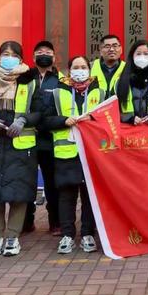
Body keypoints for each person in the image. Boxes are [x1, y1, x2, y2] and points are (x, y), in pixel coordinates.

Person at [0, 41, 41, 256]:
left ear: (21, 58)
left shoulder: (30, 81)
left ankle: (12, 237)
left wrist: (23, 120)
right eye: (5, 53)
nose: (9, 57)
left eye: (13, 54)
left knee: (18, 192)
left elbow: (39, 110)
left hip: (20, 143)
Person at [44, 56, 104, 254]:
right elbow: (46, 121)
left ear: (89, 69)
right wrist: (63, 121)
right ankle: (67, 235)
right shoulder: (57, 92)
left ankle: (88, 234)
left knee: (89, 196)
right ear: (69, 71)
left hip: (91, 153)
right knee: (66, 196)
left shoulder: (100, 92)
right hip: (66, 152)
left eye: (83, 67)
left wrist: (93, 119)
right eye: (76, 67)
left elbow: (109, 119)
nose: (80, 70)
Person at [23, 41, 62, 236]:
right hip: (26, 137)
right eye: (40, 52)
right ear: (33, 57)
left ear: (54, 58)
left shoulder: (61, 79)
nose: (44, 54)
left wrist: (44, 124)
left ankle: (55, 222)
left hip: (49, 138)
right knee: (26, 181)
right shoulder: (24, 78)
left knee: (51, 183)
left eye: (48, 52)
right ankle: (26, 222)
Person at [90, 34, 126, 99]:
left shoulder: (128, 68)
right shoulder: (90, 67)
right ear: (100, 51)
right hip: (96, 107)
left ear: (121, 49)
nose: (111, 49)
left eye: (115, 46)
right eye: (107, 46)